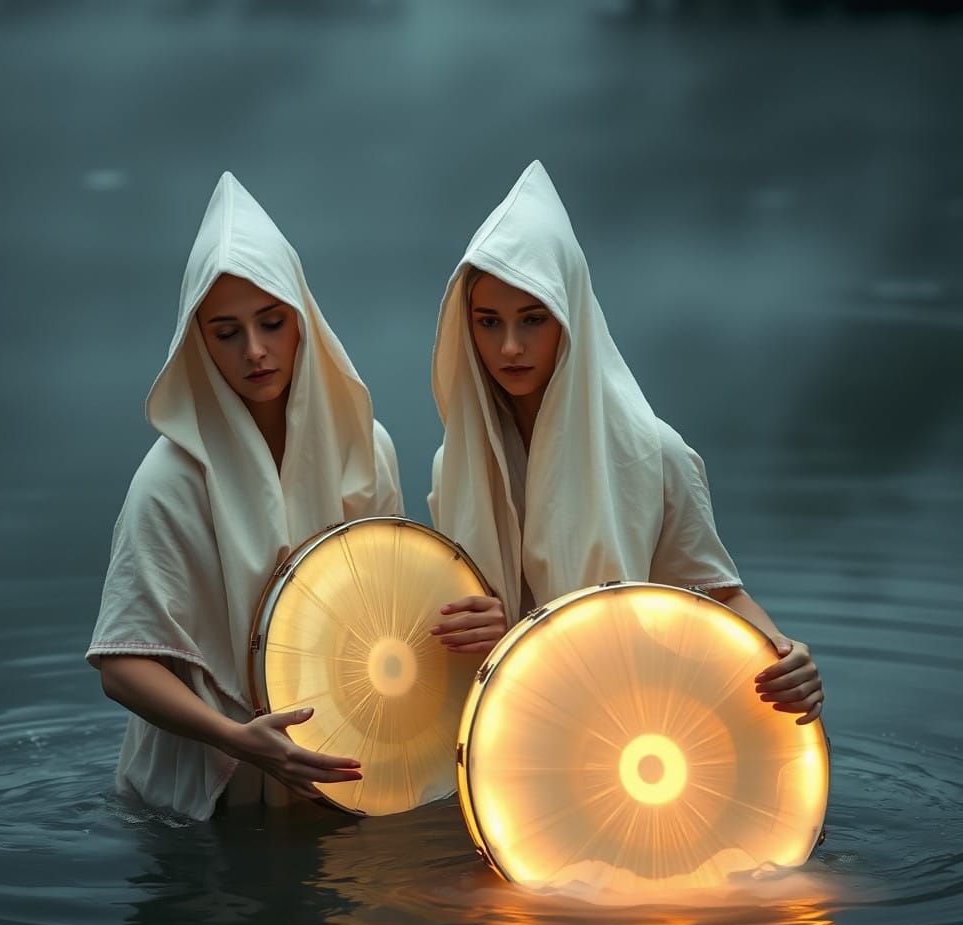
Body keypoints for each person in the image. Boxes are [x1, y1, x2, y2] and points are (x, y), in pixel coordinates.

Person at [428, 161, 823, 725]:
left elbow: (718, 596)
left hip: (624, 732)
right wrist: (472, 625)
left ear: (570, 317)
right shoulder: (456, 464)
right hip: (499, 733)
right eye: (489, 322)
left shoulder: (654, 454)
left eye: (533, 319)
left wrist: (782, 651)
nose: (510, 346)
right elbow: (446, 615)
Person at [88, 172, 403, 820]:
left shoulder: (365, 447)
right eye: (227, 332)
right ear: (199, 342)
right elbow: (121, 666)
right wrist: (236, 739)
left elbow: (388, 607)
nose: (255, 352)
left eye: (271, 323)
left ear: (302, 323)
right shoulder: (170, 481)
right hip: (200, 807)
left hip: (336, 777)